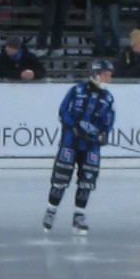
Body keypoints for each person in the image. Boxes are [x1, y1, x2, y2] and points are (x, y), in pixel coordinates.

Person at [43, 59, 116, 233]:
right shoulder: (77, 90)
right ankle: (50, 211)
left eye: (110, 75)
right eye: (106, 75)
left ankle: (79, 215)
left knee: (87, 182)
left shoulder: (108, 97)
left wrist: (104, 134)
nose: (109, 78)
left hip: (91, 147)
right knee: (60, 179)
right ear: (96, 74)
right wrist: (74, 127)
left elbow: (109, 120)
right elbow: (63, 111)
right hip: (70, 143)